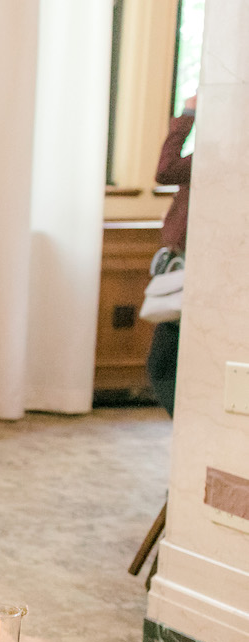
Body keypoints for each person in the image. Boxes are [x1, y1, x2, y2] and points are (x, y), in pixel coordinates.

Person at [145, 94, 194, 417]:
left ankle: (191, 430)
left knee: (162, 363)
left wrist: (187, 116)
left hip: (194, 271)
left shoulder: (226, 156)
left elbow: (166, 171)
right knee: (166, 362)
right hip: (183, 266)